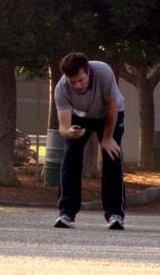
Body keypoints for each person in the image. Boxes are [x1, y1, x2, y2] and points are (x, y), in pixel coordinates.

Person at [53, 52, 126, 230]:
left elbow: (112, 106)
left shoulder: (103, 72)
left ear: (88, 72)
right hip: (80, 117)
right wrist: (69, 132)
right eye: (73, 82)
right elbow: (63, 127)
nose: (78, 85)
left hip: (109, 114)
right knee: (70, 155)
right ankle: (67, 213)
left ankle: (115, 213)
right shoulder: (61, 88)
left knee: (111, 156)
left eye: (81, 80)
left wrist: (107, 138)